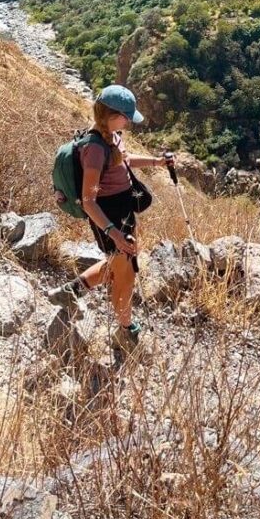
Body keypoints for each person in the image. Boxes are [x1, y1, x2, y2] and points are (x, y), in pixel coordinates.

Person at [48, 84, 172, 351]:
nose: (129, 123)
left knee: (118, 265)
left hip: (122, 210)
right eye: (127, 118)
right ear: (114, 116)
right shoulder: (94, 148)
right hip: (110, 216)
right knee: (125, 276)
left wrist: (156, 162)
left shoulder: (112, 136)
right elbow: (89, 200)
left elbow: (124, 161)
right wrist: (114, 233)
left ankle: (70, 292)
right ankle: (125, 330)